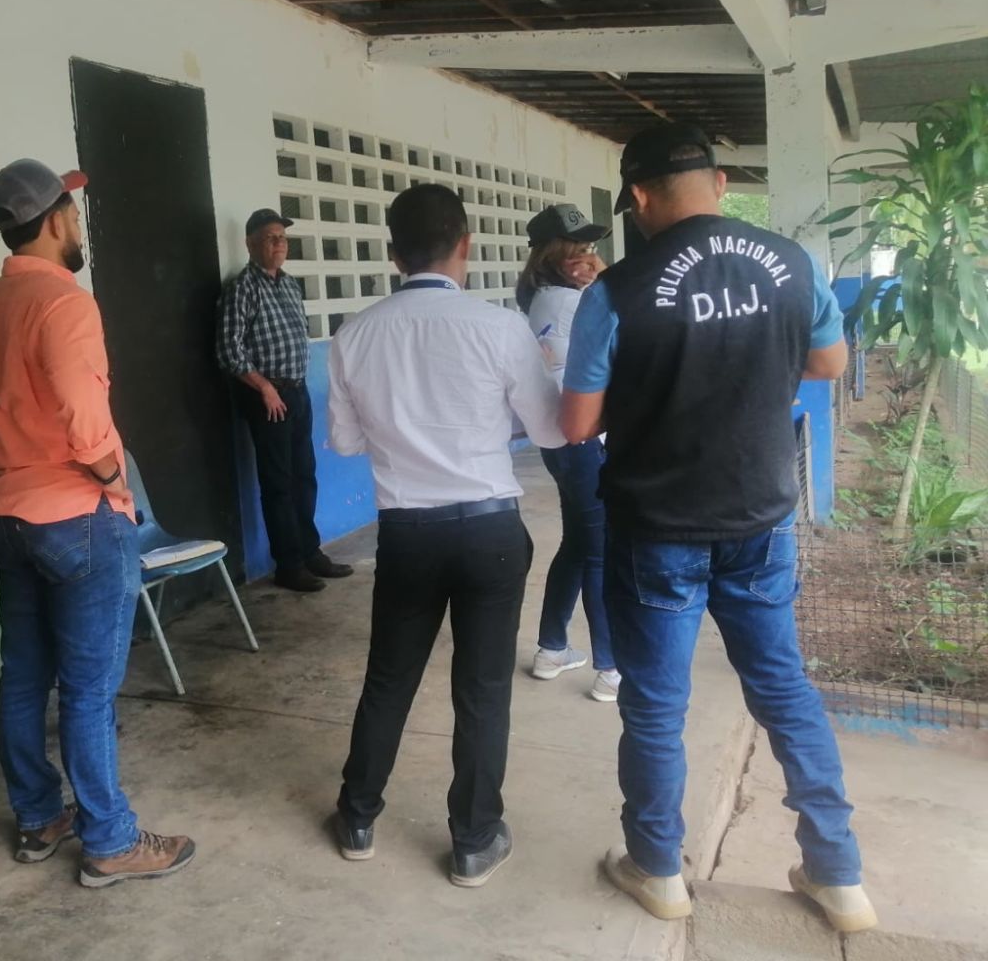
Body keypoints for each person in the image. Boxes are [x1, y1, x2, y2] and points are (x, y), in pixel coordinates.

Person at [561, 123, 875, 933]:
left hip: (657, 528)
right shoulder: (792, 264)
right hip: (760, 519)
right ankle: (838, 876)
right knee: (784, 690)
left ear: (638, 196)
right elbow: (830, 364)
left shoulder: (616, 291)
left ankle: (658, 869)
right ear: (722, 183)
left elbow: (578, 423)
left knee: (656, 706)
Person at [0, 159, 194, 888]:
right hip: (77, 515)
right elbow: (80, 407)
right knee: (89, 690)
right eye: (73, 211)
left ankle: (38, 818)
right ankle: (110, 842)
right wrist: (111, 478)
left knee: (25, 677)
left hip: (9, 511)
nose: (78, 224)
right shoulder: (64, 303)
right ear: (57, 219)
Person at [327, 183, 566, 888]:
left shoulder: (354, 335)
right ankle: (473, 841)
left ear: (393, 254)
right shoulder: (500, 328)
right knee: (483, 689)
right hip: (490, 531)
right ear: (465, 244)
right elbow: (551, 429)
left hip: (407, 533)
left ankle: (358, 818)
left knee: (388, 678)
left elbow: (345, 442)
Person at [217, 209, 354, 593]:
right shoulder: (243, 289)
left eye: (282, 238)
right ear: (250, 244)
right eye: (270, 238)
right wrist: (264, 387)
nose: (279, 244)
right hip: (268, 397)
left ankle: (310, 552)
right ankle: (289, 565)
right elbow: (228, 350)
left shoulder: (290, 285)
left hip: (297, 391)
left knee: (304, 476)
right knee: (278, 483)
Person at [516, 204, 620, 704]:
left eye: (591, 248)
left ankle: (551, 649)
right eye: (581, 248)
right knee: (599, 552)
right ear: (556, 255)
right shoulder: (571, 303)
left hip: (562, 440)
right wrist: (606, 278)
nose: (589, 256)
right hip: (582, 442)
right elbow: (631, 325)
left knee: (578, 544)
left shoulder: (544, 298)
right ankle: (611, 668)